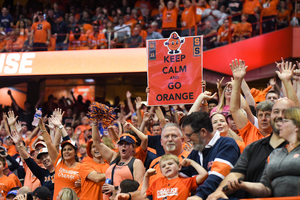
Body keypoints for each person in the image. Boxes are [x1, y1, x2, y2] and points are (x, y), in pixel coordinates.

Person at [207, 60, 297, 200]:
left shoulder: (294, 143)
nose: (279, 116)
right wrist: (220, 190)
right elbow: (236, 174)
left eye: (283, 113)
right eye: (276, 112)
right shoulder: (253, 146)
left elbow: (295, 109)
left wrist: (286, 82)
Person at [227, 107, 300, 197]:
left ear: (296, 126)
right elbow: (265, 189)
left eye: (284, 121)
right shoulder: (274, 154)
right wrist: (243, 184)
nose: (279, 124)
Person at [181, 111, 240, 200]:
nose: (188, 140)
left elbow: (216, 178)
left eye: (189, 135)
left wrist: (199, 196)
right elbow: (180, 178)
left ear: (203, 132)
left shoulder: (227, 144)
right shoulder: (195, 152)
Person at [91, 121, 145, 199]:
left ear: (133, 148)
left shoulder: (136, 163)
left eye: (127, 144)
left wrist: (115, 189)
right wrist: (95, 121)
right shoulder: (114, 157)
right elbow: (97, 142)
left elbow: (139, 189)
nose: (123, 146)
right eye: (121, 144)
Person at [38, 110, 81, 199]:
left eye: (69, 149)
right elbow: (51, 144)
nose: (66, 152)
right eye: (64, 150)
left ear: (75, 152)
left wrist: (83, 182)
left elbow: (93, 180)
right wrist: (42, 127)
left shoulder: (82, 167)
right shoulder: (58, 163)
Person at [142, 154, 208, 199]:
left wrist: (191, 162)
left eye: (170, 164)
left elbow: (204, 174)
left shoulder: (186, 181)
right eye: (163, 166)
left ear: (179, 167)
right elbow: (143, 195)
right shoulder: (157, 182)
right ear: (161, 171)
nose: (167, 167)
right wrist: (146, 177)